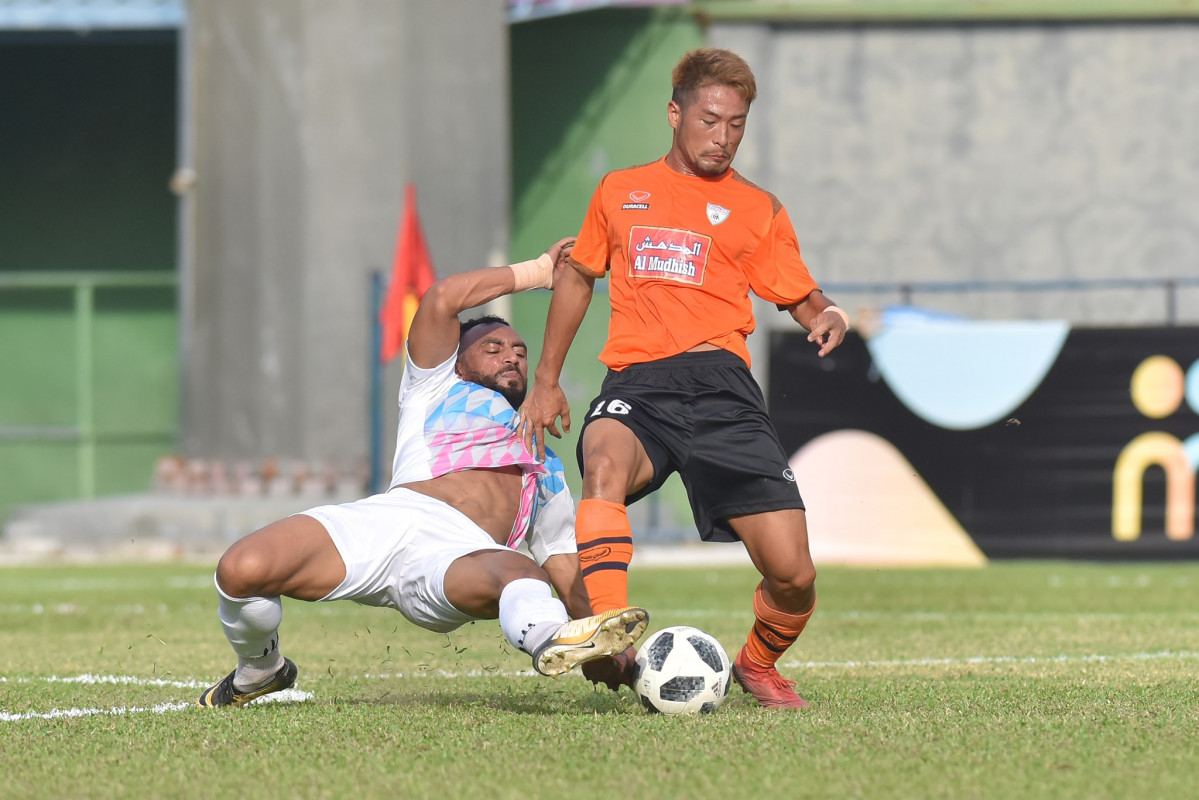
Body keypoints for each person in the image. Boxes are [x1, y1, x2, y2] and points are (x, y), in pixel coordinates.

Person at [519, 49, 849, 710]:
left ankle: (757, 664)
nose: (722, 136)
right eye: (709, 119)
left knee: (793, 573)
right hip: (640, 383)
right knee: (602, 464)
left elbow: (800, 293)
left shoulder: (757, 208)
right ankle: (609, 631)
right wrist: (547, 379)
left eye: (735, 125)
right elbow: (578, 277)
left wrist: (828, 315)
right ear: (675, 113)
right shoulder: (619, 191)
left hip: (724, 389)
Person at [198, 237, 649, 708]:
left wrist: (616, 652)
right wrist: (540, 271)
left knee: (522, 569)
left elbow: (564, 564)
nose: (512, 356)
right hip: (389, 520)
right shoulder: (432, 385)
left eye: (519, 350)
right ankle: (260, 670)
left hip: (457, 558)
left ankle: (554, 641)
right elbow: (441, 299)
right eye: (493, 347)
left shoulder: (545, 463)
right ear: (457, 360)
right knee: (240, 569)